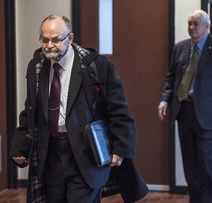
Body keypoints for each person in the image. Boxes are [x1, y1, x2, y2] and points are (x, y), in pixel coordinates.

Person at [10, 14, 148, 203]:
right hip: (50, 153)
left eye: (56, 39)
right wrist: (20, 145)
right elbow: (31, 109)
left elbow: (118, 110)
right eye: (45, 39)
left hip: (85, 153)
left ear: (70, 38)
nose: (49, 45)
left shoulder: (96, 65)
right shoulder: (37, 66)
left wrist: (121, 147)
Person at [158, 9, 212, 203]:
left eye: (196, 23)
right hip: (184, 111)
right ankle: (195, 198)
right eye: (189, 24)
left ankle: (207, 199)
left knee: (206, 162)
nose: (192, 28)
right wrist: (164, 100)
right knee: (189, 161)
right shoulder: (180, 48)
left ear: (207, 26)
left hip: (209, 114)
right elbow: (171, 77)